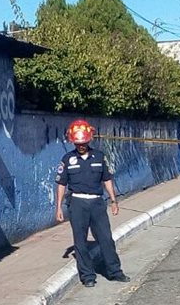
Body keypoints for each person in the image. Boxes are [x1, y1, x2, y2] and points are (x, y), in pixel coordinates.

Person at [55, 119, 130, 287]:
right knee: (80, 242)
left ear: (89, 140)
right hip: (77, 203)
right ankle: (88, 276)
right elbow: (61, 184)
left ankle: (114, 271)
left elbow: (107, 179)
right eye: (78, 143)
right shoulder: (67, 159)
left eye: (84, 142)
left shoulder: (99, 157)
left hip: (96, 203)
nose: (81, 146)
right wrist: (58, 207)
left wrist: (113, 200)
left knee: (105, 238)